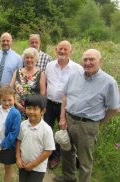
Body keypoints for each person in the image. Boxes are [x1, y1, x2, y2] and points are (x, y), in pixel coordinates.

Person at [54, 49, 119, 182]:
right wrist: (62, 117)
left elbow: (114, 108)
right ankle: (68, 178)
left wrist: (98, 123)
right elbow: (65, 96)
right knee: (67, 152)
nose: (88, 62)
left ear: (100, 61)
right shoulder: (74, 76)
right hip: (68, 120)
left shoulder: (109, 82)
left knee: (84, 160)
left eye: (92, 59)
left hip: (88, 126)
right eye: (85, 59)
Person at [44, 40, 82, 169]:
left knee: (62, 132)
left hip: (65, 107)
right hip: (49, 104)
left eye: (65, 49)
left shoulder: (77, 69)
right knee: (47, 129)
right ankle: (47, 153)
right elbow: (46, 83)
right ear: (56, 50)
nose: (62, 51)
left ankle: (56, 156)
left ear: (70, 51)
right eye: (60, 49)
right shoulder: (49, 66)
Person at [16, 95, 55, 182]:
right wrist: (18, 158)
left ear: (43, 111)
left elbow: (48, 150)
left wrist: (33, 164)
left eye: (35, 109)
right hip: (23, 164)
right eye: (29, 108)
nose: (31, 111)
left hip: (38, 168)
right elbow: (19, 140)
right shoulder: (23, 125)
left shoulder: (46, 130)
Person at [0, 86, 21, 182]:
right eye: (4, 100)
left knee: (8, 168)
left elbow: (14, 133)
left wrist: (1, 146)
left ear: (14, 99)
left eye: (10, 100)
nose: (7, 103)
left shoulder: (16, 114)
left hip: (8, 147)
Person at [0, 32, 22, 104]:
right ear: (0, 42)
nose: (5, 43)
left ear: (11, 42)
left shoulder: (18, 58)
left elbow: (19, 78)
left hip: (8, 92)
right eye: (3, 41)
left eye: (7, 41)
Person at [10, 47, 46, 119]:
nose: (29, 60)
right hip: (17, 108)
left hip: (33, 110)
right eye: (27, 57)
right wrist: (16, 103)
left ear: (35, 59)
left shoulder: (40, 74)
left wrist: (36, 108)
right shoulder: (17, 72)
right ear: (24, 59)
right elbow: (10, 89)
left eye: (31, 57)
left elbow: (42, 94)